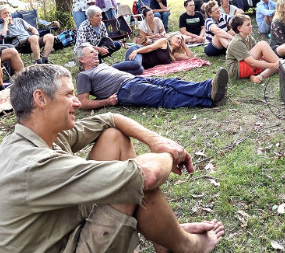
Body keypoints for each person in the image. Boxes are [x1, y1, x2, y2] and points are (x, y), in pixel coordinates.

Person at [0, 64, 224, 252]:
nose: (77, 102)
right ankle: (187, 246)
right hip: (64, 245)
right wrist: (170, 154)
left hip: (60, 231)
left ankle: (164, 237)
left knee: (114, 138)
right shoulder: (32, 165)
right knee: (130, 180)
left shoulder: (40, 135)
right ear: (40, 98)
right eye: (68, 95)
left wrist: (156, 140)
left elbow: (111, 119)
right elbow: (146, 176)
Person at [75, 43, 229, 109]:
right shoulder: (84, 75)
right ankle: (208, 100)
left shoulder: (101, 66)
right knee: (165, 95)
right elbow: (83, 102)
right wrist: (106, 102)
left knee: (170, 82)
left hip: (134, 80)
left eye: (95, 51)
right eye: (91, 52)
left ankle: (208, 88)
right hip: (125, 91)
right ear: (81, 59)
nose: (96, 53)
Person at [226, 14, 280, 84]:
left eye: (250, 24)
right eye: (248, 25)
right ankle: (282, 66)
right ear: (239, 28)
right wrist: (274, 65)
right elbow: (252, 62)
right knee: (262, 44)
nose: (251, 26)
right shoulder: (237, 41)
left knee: (274, 66)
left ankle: (259, 77)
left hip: (247, 65)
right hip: (236, 70)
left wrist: (273, 63)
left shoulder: (249, 37)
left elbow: (261, 55)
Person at [115, 33, 194, 75]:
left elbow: (190, 57)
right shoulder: (164, 42)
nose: (179, 40)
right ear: (171, 38)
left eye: (181, 40)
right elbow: (149, 48)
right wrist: (136, 51)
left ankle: (116, 72)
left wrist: (184, 44)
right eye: (178, 38)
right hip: (138, 51)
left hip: (142, 64)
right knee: (136, 64)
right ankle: (110, 68)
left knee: (140, 71)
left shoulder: (174, 55)